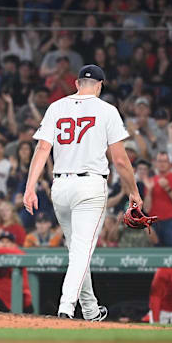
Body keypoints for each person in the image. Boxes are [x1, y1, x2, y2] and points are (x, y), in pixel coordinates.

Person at [24, 64, 141, 321]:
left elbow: (43, 148)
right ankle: (66, 307)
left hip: (61, 186)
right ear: (99, 86)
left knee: (77, 250)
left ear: (77, 84)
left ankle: (90, 310)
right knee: (80, 250)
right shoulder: (107, 110)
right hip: (89, 186)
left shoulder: (56, 107)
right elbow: (120, 160)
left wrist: (30, 186)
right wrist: (133, 191)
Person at [143, 152, 172, 247]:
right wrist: (149, 191)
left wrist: (168, 188)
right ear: (155, 163)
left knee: (171, 253)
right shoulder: (151, 181)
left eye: (165, 161)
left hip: (171, 222)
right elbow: (146, 209)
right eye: (159, 161)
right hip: (154, 222)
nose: (162, 164)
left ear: (170, 163)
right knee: (155, 253)